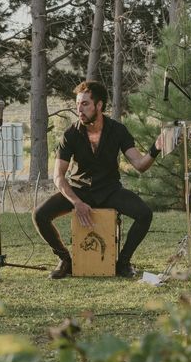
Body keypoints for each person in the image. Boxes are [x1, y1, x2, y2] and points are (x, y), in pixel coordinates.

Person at [33, 80, 163, 279]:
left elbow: (140, 164)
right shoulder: (70, 134)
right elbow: (58, 176)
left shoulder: (118, 130)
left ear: (99, 105)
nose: (79, 109)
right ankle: (65, 260)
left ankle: (123, 262)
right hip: (79, 190)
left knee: (144, 214)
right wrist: (76, 202)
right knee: (40, 215)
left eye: (85, 104)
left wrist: (156, 148)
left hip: (109, 190)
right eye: (77, 104)